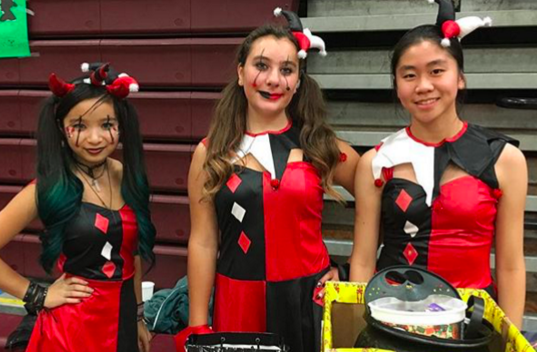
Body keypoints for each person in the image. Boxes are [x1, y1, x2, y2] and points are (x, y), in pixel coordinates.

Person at [176, 8, 359, 352]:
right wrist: (197, 325)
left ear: (298, 82)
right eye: (262, 66)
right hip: (238, 302)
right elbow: (202, 241)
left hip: (309, 302)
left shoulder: (320, 145)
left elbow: (374, 189)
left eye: (287, 70)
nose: (274, 79)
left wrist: (350, 270)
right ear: (241, 73)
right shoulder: (209, 153)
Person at [350, 0, 526, 329]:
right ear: (397, 86)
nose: (424, 86)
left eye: (436, 71)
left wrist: (510, 338)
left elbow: (511, 266)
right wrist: (358, 328)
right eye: (409, 75)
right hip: (392, 318)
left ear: (460, 78)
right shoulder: (377, 161)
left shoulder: (504, 159)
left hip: (471, 323)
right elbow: (362, 260)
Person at [0, 63, 156, 351]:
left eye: (106, 125)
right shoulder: (48, 187)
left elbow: (131, 254)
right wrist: (37, 293)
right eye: (80, 126)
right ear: (62, 128)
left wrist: (138, 317)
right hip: (73, 329)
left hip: (122, 322)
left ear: (120, 126)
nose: (94, 138)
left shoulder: (125, 175)